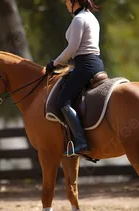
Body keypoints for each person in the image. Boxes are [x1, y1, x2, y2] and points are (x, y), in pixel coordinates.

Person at [45, 0, 104, 156]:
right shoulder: (90, 17)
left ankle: (81, 142)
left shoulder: (79, 19)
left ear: (74, 2)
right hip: (95, 63)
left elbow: (72, 48)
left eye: (67, 0)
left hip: (85, 65)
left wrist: (54, 63)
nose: (65, 3)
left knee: (63, 101)